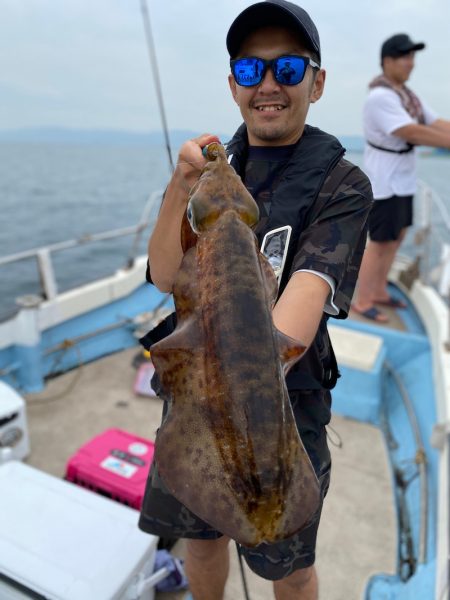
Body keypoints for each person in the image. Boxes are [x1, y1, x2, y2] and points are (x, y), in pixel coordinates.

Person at [139, 2, 372, 599]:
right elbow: (165, 276)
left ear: (316, 84)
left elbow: (302, 307)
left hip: (285, 407)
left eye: (288, 69)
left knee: (288, 568)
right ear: (233, 85)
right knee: (202, 540)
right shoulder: (216, 172)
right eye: (250, 71)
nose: (268, 85)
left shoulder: (343, 185)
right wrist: (181, 187)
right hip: (193, 400)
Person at [352, 33, 450, 322]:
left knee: (397, 237)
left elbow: (433, 122)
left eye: (412, 57)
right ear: (387, 61)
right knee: (380, 242)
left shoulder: (408, 97)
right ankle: (364, 299)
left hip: (404, 180)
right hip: (384, 181)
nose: (411, 64)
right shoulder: (380, 97)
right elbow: (412, 131)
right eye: (405, 57)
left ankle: (380, 291)